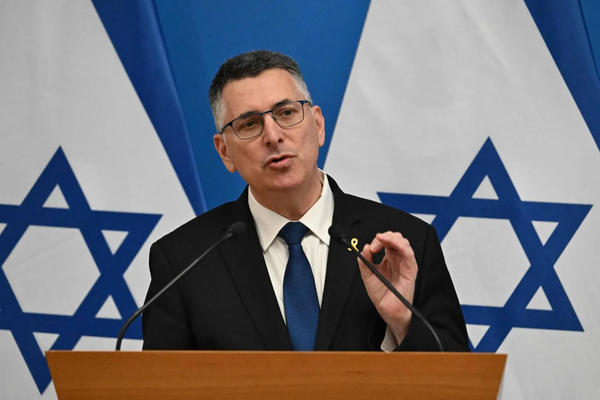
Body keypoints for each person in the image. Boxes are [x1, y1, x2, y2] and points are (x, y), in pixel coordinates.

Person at [142, 50, 469, 352]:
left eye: (286, 113)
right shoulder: (183, 261)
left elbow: (457, 378)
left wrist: (402, 322)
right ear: (224, 151)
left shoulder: (404, 242)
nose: (273, 136)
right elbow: (159, 385)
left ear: (318, 125)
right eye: (250, 124)